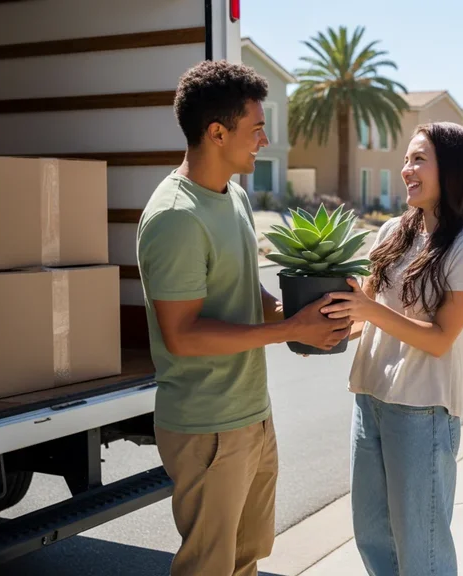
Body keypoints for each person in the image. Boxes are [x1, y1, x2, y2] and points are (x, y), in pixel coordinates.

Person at [136, 60, 351, 576]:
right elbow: (181, 336)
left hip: (251, 413)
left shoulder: (231, 194)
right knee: (208, 568)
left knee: (246, 559)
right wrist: (289, 331)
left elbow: (241, 292)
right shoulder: (174, 218)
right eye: (256, 128)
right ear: (216, 132)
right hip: (207, 426)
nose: (264, 139)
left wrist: (305, 312)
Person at [318, 122, 463, 575]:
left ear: (452, 170)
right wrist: (328, 329)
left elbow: (438, 340)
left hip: (422, 411)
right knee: (374, 537)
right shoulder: (393, 232)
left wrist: (367, 309)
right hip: (370, 399)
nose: (406, 169)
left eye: (419, 159)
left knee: (423, 550)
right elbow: (371, 316)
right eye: (405, 159)